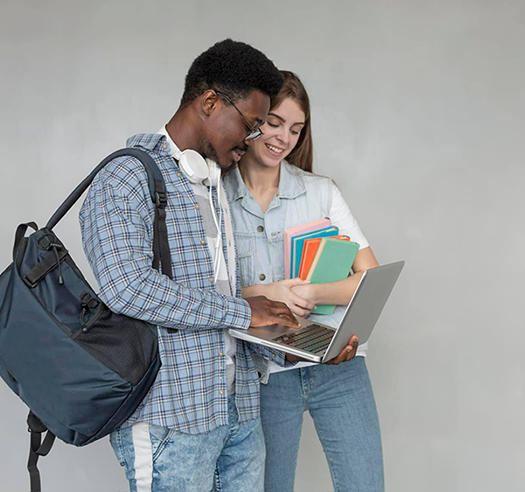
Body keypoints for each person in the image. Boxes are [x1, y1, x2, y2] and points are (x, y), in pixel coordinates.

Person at [79, 41, 356, 492]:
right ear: (210, 102)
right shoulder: (125, 176)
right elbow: (126, 287)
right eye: (250, 126)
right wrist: (246, 312)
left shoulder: (211, 184)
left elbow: (218, 302)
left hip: (239, 411)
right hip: (171, 418)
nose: (253, 142)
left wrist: (283, 345)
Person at [224, 70, 383, 492]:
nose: (283, 138)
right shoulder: (216, 195)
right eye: (274, 123)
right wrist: (268, 294)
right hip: (264, 376)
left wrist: (312, 292)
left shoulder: (321, 192)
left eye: (296, 129)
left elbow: (368, 277)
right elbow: (204, 296)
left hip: (337, 365)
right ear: (253, 118)